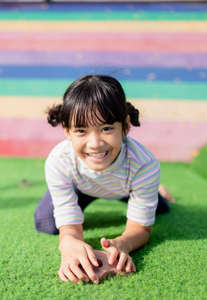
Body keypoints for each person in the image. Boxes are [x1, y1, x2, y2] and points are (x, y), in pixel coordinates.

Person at [33, 74, 175, 284]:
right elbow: (68, 224)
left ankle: (157, 192)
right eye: (81, 131)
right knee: (46, 223)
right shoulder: (58, 161)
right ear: (67, 132)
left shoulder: (144, 164)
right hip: (80, 186)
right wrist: (69, 242)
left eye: (106, 129)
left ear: (125, 126)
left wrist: (122, 244)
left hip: (126, 185)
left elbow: (140, 230)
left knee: (161, 209)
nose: (95, 144)